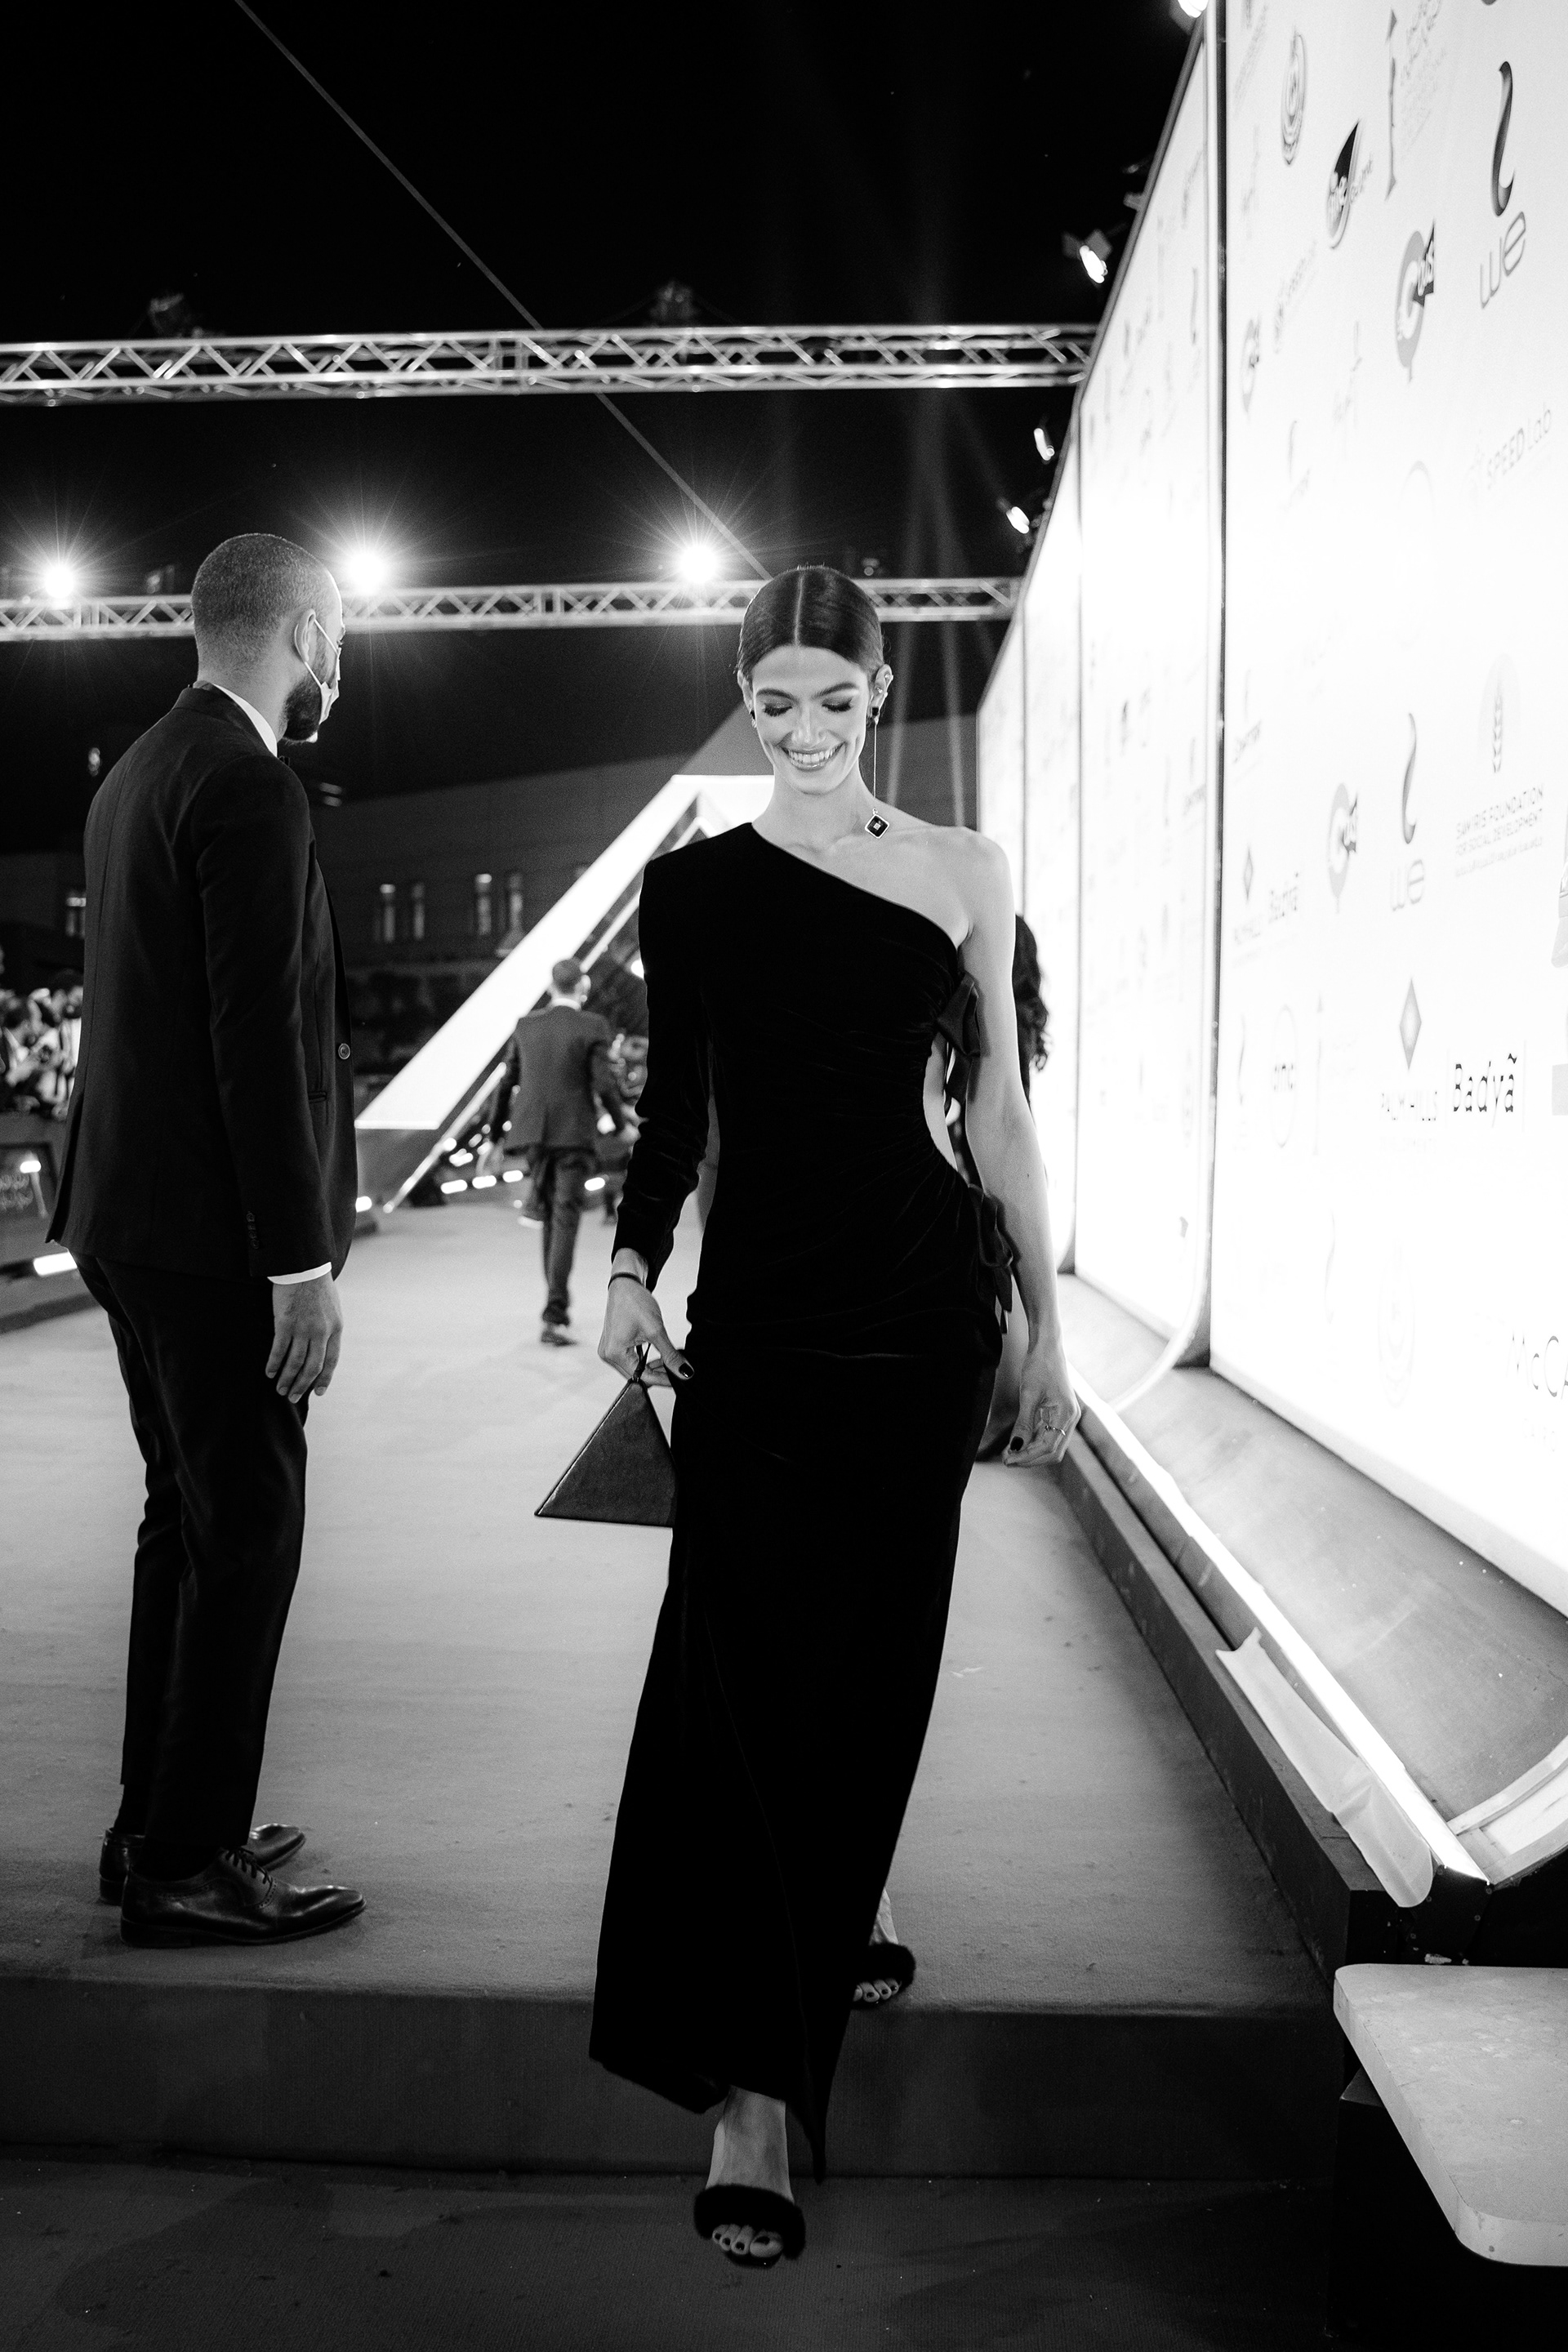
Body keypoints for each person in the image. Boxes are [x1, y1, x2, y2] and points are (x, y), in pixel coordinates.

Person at [590, 565, 1079, 2270]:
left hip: (919, 1322)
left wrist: (1046, 1328)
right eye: (773, 702)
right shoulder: (693, 889)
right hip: (763, 1328)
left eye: (834, 700)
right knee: (734, 1681)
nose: (803, 731)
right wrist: (633, 1265)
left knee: (869, 1673)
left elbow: (998, 1118)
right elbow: (675, 1109)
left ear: (879, 696)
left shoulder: (963, 871)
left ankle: (776, 2068)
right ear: (747, 702)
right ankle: (749, 2091)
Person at [48, 531, 365, 1949]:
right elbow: (255, 1038)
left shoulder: (139, 772)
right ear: (301, 632)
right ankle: (186, 1861)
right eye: (337, 634)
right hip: (213, 1236)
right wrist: (299, 1262)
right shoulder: (249, 782)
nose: (340, 660)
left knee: (185, 1518)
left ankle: (155, 1822)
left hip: (124, 1215)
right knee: (249, 1534)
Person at [488, 957, 636, 1346]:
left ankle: (555, 1311)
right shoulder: (593, 1025)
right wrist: (621, 1126)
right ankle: (554, 1316)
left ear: (552, 987)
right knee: (565, 1217)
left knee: (551, 1219)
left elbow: (507, 1084)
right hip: (573, 1135)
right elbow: (603, 1083)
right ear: (582, 987)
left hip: (534, 1137)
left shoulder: (526, 1025)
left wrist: (493, 1137)